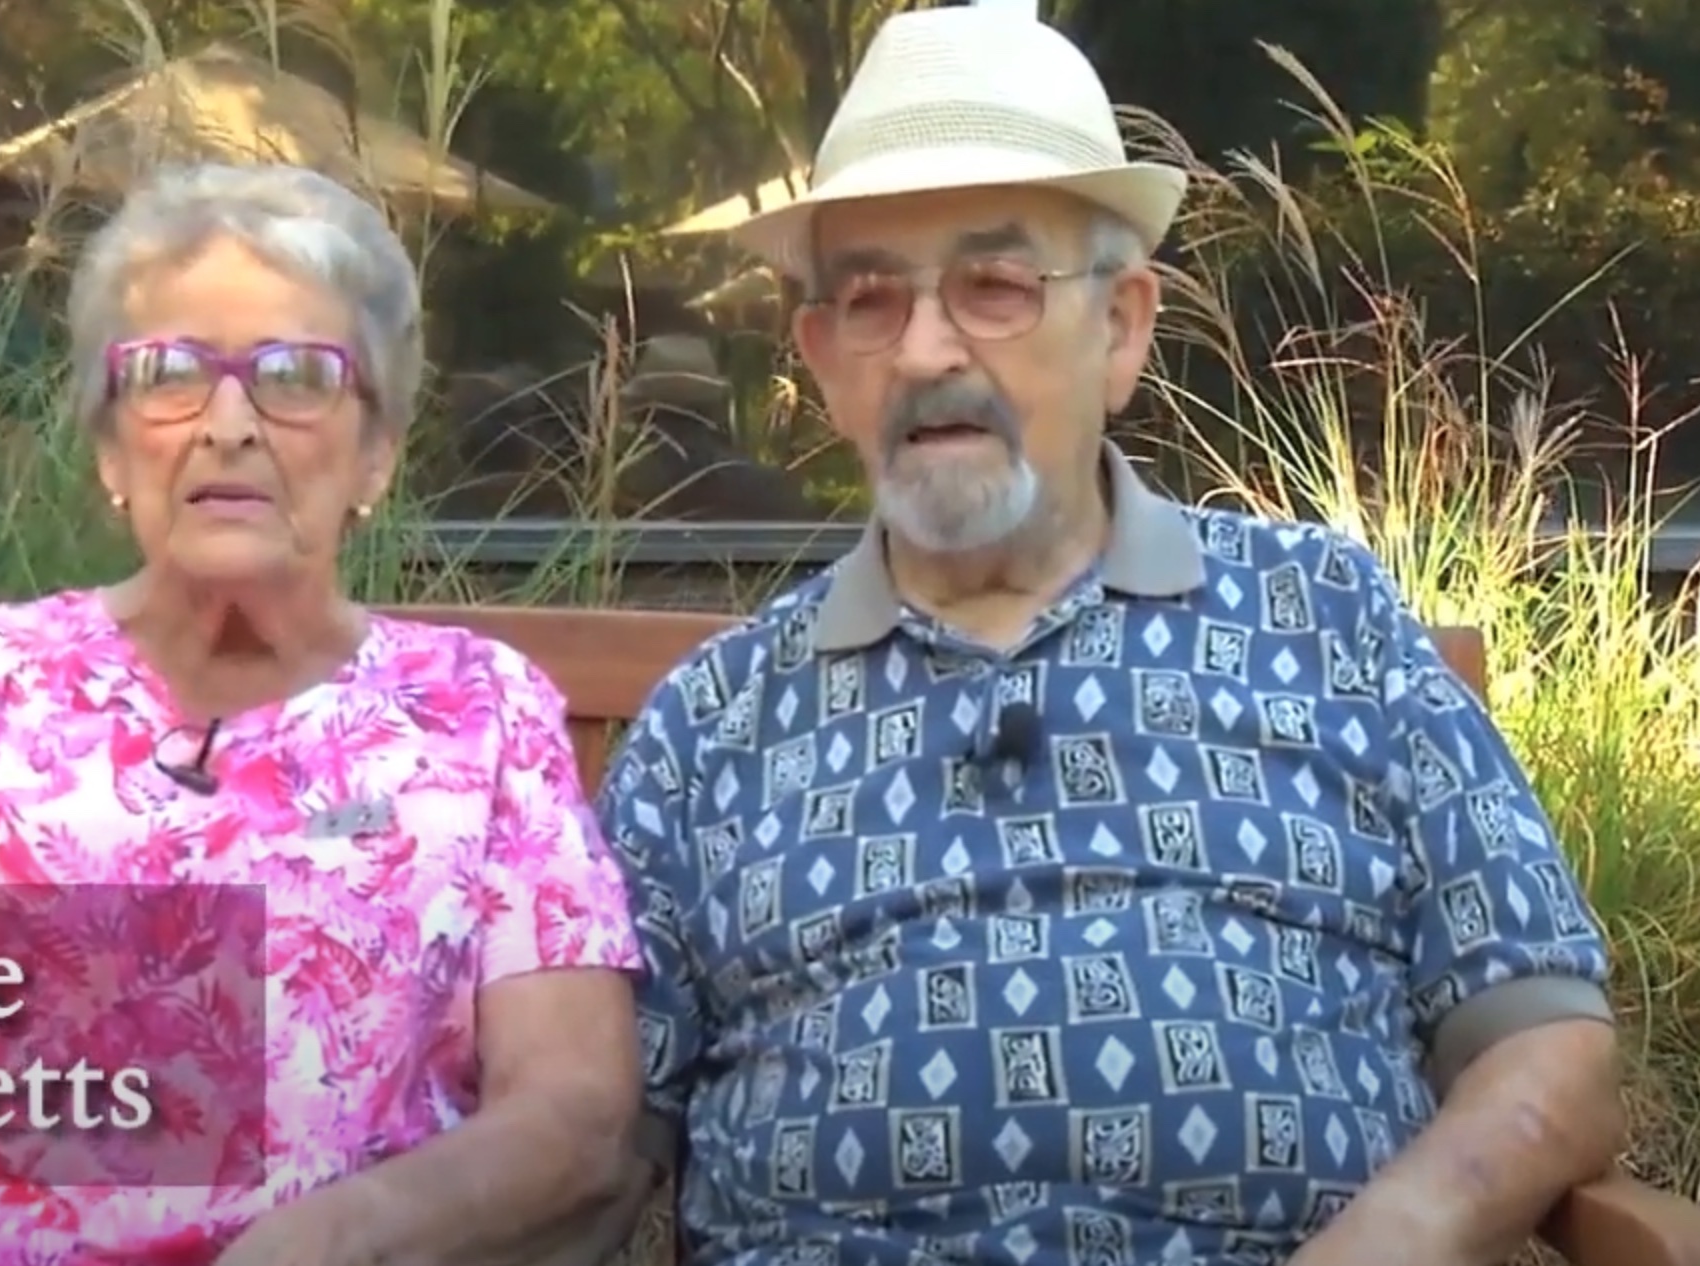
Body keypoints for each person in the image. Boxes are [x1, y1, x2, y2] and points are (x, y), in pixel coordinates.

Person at [595, 5, 1624, 1266]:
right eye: (869, 298)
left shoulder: (1323, 619)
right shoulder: (714, 723)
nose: (925, 349)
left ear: (1122, 327)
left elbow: (1546, 1037)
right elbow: (585, 1140)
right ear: (818, 358)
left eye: (993, 285)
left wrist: (1399, 1234)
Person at [0, 163, 645, 1266]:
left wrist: (337, 1238)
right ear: (114, 450)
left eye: (296, 374)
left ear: (376, 452)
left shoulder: (478, 711)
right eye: (166, 374)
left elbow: (576, 1111)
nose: (228, 425)